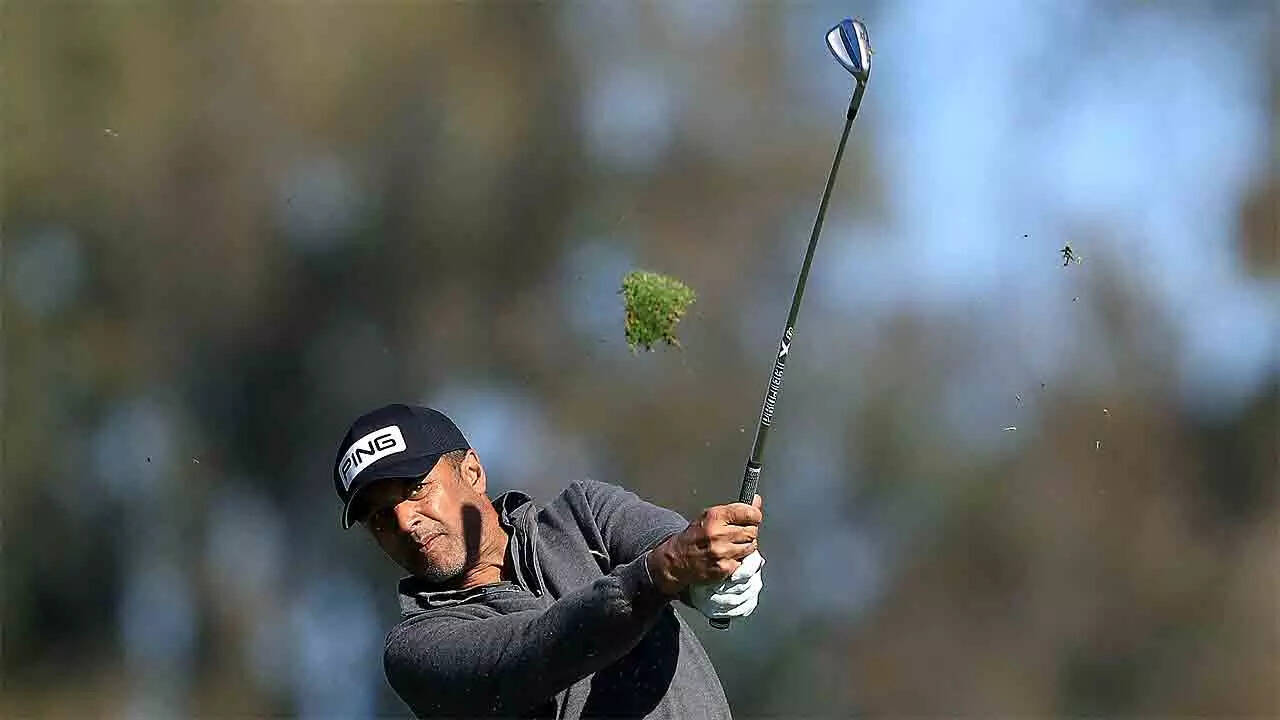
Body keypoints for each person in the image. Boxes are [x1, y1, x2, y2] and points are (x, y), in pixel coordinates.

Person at [332, 403, 766, 719]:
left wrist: (716, 573)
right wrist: (663, 572)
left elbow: (665, 540)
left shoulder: (585, 513)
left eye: (415, 489)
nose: (404, 521)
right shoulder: (415, 650)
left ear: (472, 473)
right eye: (379, 516)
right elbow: (534, 651)